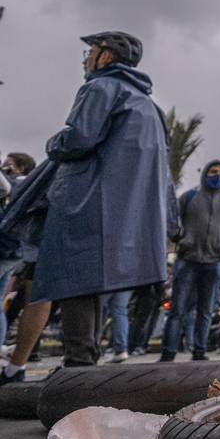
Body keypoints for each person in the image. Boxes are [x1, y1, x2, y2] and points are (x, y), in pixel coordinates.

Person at [28, 32, 176, 369]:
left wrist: (54, 143)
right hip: (123, 213)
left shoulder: (100, 88)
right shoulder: (149, 106)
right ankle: (86, 363)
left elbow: (78, 139)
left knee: (75, 281)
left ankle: (78, 366)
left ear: (105, 56)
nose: (85, 58)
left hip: (85, 203)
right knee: (94, 286)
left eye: (90, 51)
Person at [159, 159, 220, 361]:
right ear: (205, 173)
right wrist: (179, 239)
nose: (217, 176)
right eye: (213, 172)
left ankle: (199, 351)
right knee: (178, 309)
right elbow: (170, 220)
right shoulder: (189, 197)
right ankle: (168, 353)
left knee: (206, 311)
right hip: (188, 260)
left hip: (214, 263)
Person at [0, 153, 35, 350]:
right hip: (17, 249)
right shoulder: (32, 185)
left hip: (5, 246)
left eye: (9, 164)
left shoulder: (13, 184)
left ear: (20, 168)